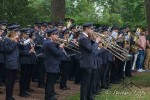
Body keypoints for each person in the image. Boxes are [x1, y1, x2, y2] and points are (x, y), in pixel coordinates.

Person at [78, 23, 100, 100]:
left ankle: (89, 97)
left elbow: (90, 47)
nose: (92, 30)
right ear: (87, 29)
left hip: (90, 62)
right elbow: (91, 49)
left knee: (90, 82)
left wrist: (92, 39)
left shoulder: (86, 37)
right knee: (85, 84)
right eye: (91, 29)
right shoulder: (83, 38)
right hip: (86, 63)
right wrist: (96, 42)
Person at [43, 28, 64, 100]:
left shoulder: (50, 42)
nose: (57, 36)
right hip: (51, 64)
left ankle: (51, 95)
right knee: (50, 82)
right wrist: (61, 47)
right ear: (52, 35)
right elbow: (57, 53)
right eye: (56, 34)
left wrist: (56, 43)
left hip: (52, 64)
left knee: (51, 81)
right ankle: (48, 97)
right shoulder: (49, 43)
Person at [4, 24, 20, 100]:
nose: (17, 32)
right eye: (16, 31)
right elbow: (8, 50)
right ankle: (8, 97)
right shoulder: (7, 39)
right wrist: (15, 42)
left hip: (15, 62)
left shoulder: (15, 39)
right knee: (9, 81)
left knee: (13, 80)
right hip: (10, 62)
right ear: (12, 31)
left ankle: (10, 96)